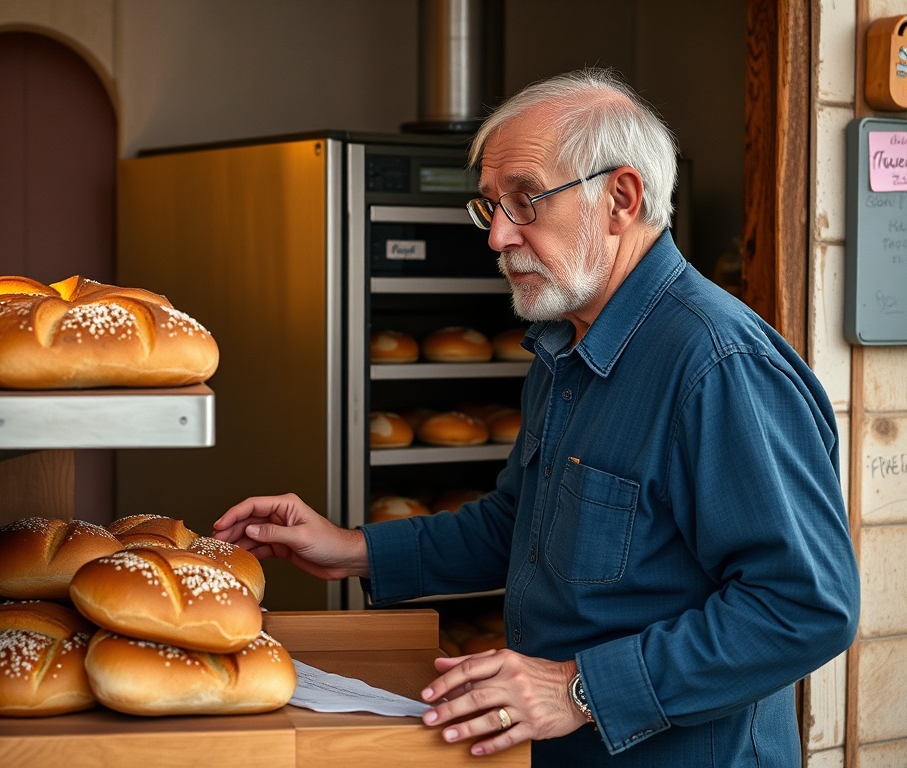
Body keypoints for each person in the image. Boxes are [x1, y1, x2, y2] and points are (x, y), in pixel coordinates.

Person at [213, 68, 860, 766]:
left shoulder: (717, 365)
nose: (497, 237)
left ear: (621, 197)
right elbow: (520, 524)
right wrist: (350, 549)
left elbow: (805, 607)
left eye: (525, 201)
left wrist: (578, 689)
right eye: (490, 205)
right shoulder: (569, 345)